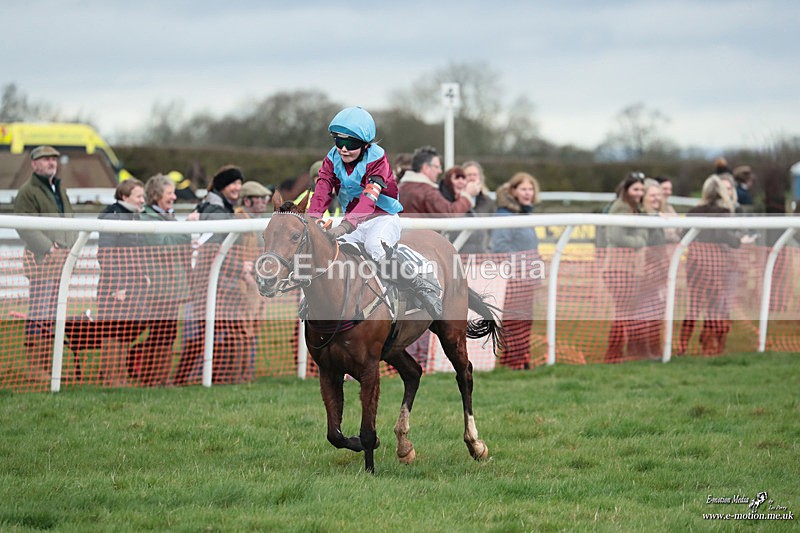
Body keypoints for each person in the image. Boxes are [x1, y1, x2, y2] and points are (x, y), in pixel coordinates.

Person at [310, 106, 443, 319]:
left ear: (365, 144)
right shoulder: (332, 158)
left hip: (382, 217)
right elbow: (323, 188)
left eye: (351, 143)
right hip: (353, 220)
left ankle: (422, 287)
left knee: (375, 247)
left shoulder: (377, 159)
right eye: (339, 141)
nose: (343, 149)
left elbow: (368, 200)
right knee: (331, 250)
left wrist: (344, 226)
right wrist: (312, 219)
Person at [175, 165, 248, 385]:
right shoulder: (217, 210)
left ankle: (213, 376)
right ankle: (207, 377)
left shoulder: (217, 206)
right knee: (214, 332)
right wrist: (240, 269)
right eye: (233, 183)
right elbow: (214, 250)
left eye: (239, 183)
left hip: (211, 280)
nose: (238, 187)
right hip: (211, 281)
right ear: (223, 186)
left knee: (214, 332)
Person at [14, 145, 78, 382]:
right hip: (43, 261)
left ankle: (51, 366)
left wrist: (70, 252)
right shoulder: (27, 192)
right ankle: (36, 368)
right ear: (34, 164)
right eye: (45, 159)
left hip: (62, 261)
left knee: (54, 314)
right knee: (40, 314)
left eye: (53, 158)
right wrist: (49, 249)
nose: (51, 162)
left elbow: (68, 221)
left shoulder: (58, 189)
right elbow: (25, 226)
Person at [678, 175, 753, 356]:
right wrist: (738, 241)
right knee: (713, 307)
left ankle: (682, 346)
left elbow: (683, 234)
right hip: (715, 265)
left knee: (694, 306)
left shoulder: (693, 211)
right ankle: (710, 348)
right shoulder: (723, 212)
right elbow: (723, 236)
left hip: (694, 264)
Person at [133, 174, 193, 386]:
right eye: (169, 193)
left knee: (168, 333)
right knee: (159, 333)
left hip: (172, 287)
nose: (174, 197)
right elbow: (163, 242)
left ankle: (160, 377)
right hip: (159, 288)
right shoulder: (147, 217)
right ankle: (153, 377)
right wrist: (187, 229)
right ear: (156, 195)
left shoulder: (167, 215)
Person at [96, 178, 147, 386]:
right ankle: (111, 377)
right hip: (115, 287)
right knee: (112, 335)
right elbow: (105, 255)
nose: (143, 200)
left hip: (132, 286)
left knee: (125, 334)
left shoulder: (134, 217)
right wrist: (117, 286)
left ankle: (119, 375)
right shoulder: (113, 216)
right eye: (139, 196)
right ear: (125, 197)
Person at [490, 172, 542, 369]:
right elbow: (499, 246)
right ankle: (514, 361)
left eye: (530, 189)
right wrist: (522, 265)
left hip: (528, 278)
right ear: (513, 191)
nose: (528, 193)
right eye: (523, 189)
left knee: (525, 320)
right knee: (514, 322)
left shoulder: (524, 213)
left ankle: (521, 360)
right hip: (514, 280)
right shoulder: (505, 215)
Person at [602, 172, 649, 362]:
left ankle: (622, 351)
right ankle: (613, 353)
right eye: (635, 189)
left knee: (625, 313)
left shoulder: (632, 207)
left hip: (628, 269)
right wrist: (641, 240)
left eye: (641, 189)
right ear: (626, 189)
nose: (639, 193)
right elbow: (616, 236)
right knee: (622, 313)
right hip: (619, 269)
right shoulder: (622, 208)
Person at [234, 180, 273, 381]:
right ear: (247, 201)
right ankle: (239, 373)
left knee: (253, 329)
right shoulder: (239, 219)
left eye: (264, 198)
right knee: (243, 330)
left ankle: (247, 372)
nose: (263, 202)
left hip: (256, 283)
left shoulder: (258, 221)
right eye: (258, 198)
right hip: (242, 285)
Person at [628, 179, 670, 359]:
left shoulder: (660, 217)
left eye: (658, 195)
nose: (656, 198)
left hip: (659, 271)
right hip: (645, 271)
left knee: (656, 312)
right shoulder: (642, 218)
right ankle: (639, 350)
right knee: (642, 312)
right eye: (652, 195)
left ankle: (651, 349)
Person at [397, 146, 480, 218]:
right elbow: (451, 214)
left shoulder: (400, 187)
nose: (440, 171)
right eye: (437, 167)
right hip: (423, 235)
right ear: (426, 167)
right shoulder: (427, 191)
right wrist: (467, 195)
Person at [460, 160, 497, 253]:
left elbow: (494, 230)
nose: (472, 178)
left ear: (480, 178)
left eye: (475, 175)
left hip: (482, 254)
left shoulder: (488, 202)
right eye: (468, 175)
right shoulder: (455, 201)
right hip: (459, 251)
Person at [654, 175, 680, 243]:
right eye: (665, 189)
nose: (668, 192)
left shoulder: (669, 208)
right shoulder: (652, 210)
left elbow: (680, 228)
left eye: (670, 189)